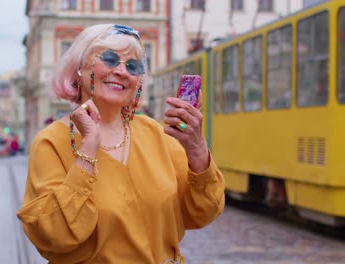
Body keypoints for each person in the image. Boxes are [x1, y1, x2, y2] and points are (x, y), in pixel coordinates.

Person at [17, 24, 225, 264]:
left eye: (133, 66)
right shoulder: (51, 142)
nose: (122, 71)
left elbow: (203, 212)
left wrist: (197, 148)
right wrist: (88, 149)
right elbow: (55, 236)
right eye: (110, 59)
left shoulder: (156, 134)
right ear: (78, 69)